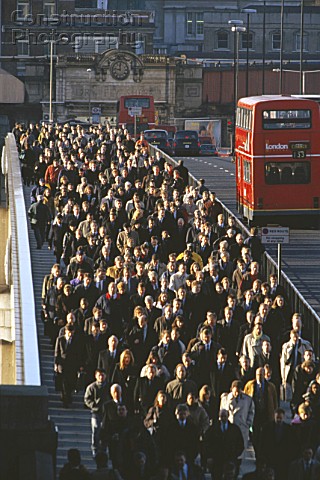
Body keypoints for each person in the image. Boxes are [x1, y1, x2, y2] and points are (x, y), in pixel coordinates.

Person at [244, 367, 278, 458]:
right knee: (255, 435)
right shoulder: (250, 385)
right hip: (254, 414)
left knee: (266, 435)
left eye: (261, 374)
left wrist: (274, 412)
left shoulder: (270, 386)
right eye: (258, 375)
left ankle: (263, 454)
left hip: (266, 413)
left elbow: (275, 401)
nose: (260, 376)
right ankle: (257, 453)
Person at [204, 409, 244, 480]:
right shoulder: (213, 428)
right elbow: (207, 443)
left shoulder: (235, 429)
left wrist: (235, 455)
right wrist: (209, 456)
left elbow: (240, 444)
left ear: (228, 416)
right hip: (217, 459)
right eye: (221, 416)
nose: (223, 418)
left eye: (225, 416)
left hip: (230, 458)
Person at [259, 408, 293, 479]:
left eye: (280, 418)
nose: (279, 420)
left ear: (283, 417)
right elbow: (262, 443)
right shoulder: (267, 427)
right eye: (277, 418)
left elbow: (291, 444)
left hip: (283, 459)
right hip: (270, 457)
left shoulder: (289, 429)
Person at [220, 380, 255, 449]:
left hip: (242, 427)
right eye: (235, 392)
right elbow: (221, 412)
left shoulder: (248, 400)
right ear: (231, 389)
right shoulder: (225, 399)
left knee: (240, 450)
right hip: (229, 427)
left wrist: (248, 424)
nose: (237, 394)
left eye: (238, 392)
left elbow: (251, 412)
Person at [84, 368, 110, 458]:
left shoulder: (108, 386)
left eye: (103, 375)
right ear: (96, 376)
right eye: (99, 375)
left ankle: (104, 449)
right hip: (96, 412)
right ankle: (95, 449)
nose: (101, 377)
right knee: (96, 430)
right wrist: (94, 405)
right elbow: (87, 399)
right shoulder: (92, 387)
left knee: (105, 431)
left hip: (106, 412)